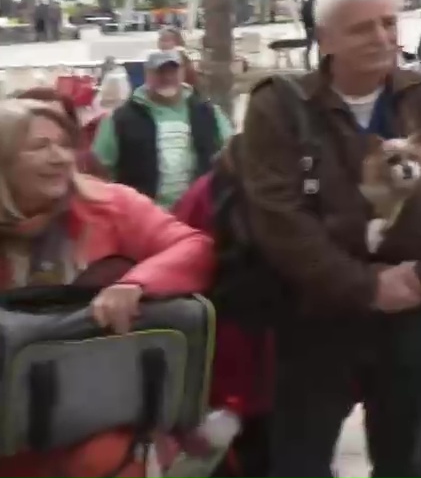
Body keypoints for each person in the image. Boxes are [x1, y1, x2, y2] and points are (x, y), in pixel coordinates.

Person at [238, 0, 421, 478]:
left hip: (413, 312)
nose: (382, 38)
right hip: (314, 315)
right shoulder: (278, 106)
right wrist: (365, 286)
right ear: (326, 39)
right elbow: (277, 216)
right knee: (299, 460)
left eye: (388, 23)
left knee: (405, 461)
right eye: (363, 28)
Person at [0, 96, 215, 478]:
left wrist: (137, 284)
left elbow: (195, 249)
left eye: (65, 145)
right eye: (39, 147)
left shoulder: (111, 205)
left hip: (102, 418)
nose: (60, 157)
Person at [173, 139, 275, 478]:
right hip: (225, 363)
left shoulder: (305, 188)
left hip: (287, 370)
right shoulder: (209, 194)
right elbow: (181, 276)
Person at [93, 49, 231, 209]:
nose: (167, 77)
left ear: (182, 73)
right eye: (160, 72)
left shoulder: (209, 113)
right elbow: (98, 170)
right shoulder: (119, 119)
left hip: (199, 214)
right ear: (147, 75)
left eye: (172, 71)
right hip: (143, 218)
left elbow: (231, 153)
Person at [301, 0, 318, 69]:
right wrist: (308, 26)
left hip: (316, 27)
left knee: (319, 45)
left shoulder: (316, 3)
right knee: (310, 45)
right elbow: (305, 16)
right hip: (311, 27)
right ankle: (307, 62)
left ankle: (318, 63)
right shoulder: (308, 4)